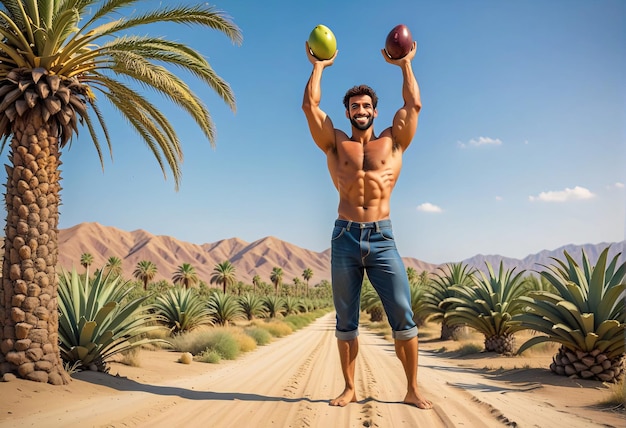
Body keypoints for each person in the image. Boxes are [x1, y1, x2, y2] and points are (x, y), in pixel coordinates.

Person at [302, 40, 432, 410]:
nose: (361, 110)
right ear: (347, 113)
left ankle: (412, 389)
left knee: (403, 316)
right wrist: (319, 67)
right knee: (346, 320)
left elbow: (414, 105)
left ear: (376, 111)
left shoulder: (393, 142)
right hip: (344, 236)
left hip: (381, 236)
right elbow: (310, 107)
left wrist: (405, 64)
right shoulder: (336, 146)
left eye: (367, 106)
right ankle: (349, 388)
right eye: (355, 106)